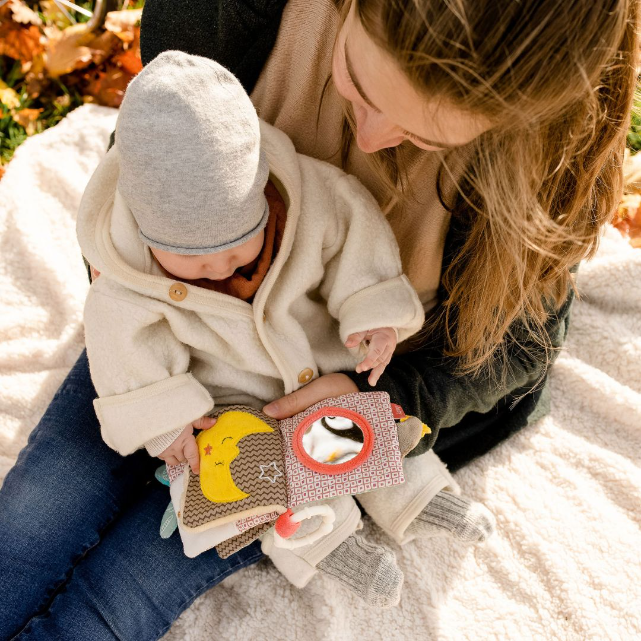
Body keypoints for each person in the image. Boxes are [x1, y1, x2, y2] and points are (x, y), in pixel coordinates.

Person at [0, 0, 636, 638]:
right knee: (33, 518)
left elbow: (518, 348)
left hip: (324, 404)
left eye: (425, 138)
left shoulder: (541, 151)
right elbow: (156, 134)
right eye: (357, 86)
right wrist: (145, 317)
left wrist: (373, 396)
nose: (371, 140)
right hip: (168, 347)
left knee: (127, 591)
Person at [78, 49, 493, 608]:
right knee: (263, 487)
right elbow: (122, 349)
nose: (222, 270)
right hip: (231, 399)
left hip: (320, 365)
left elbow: (357, 241)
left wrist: (371, 314)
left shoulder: (311, 198)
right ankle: (337, 549)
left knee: (368, 431)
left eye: (237, 248)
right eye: (195, 265)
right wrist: (164, 421)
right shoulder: (127, 271)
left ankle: (421, 499)